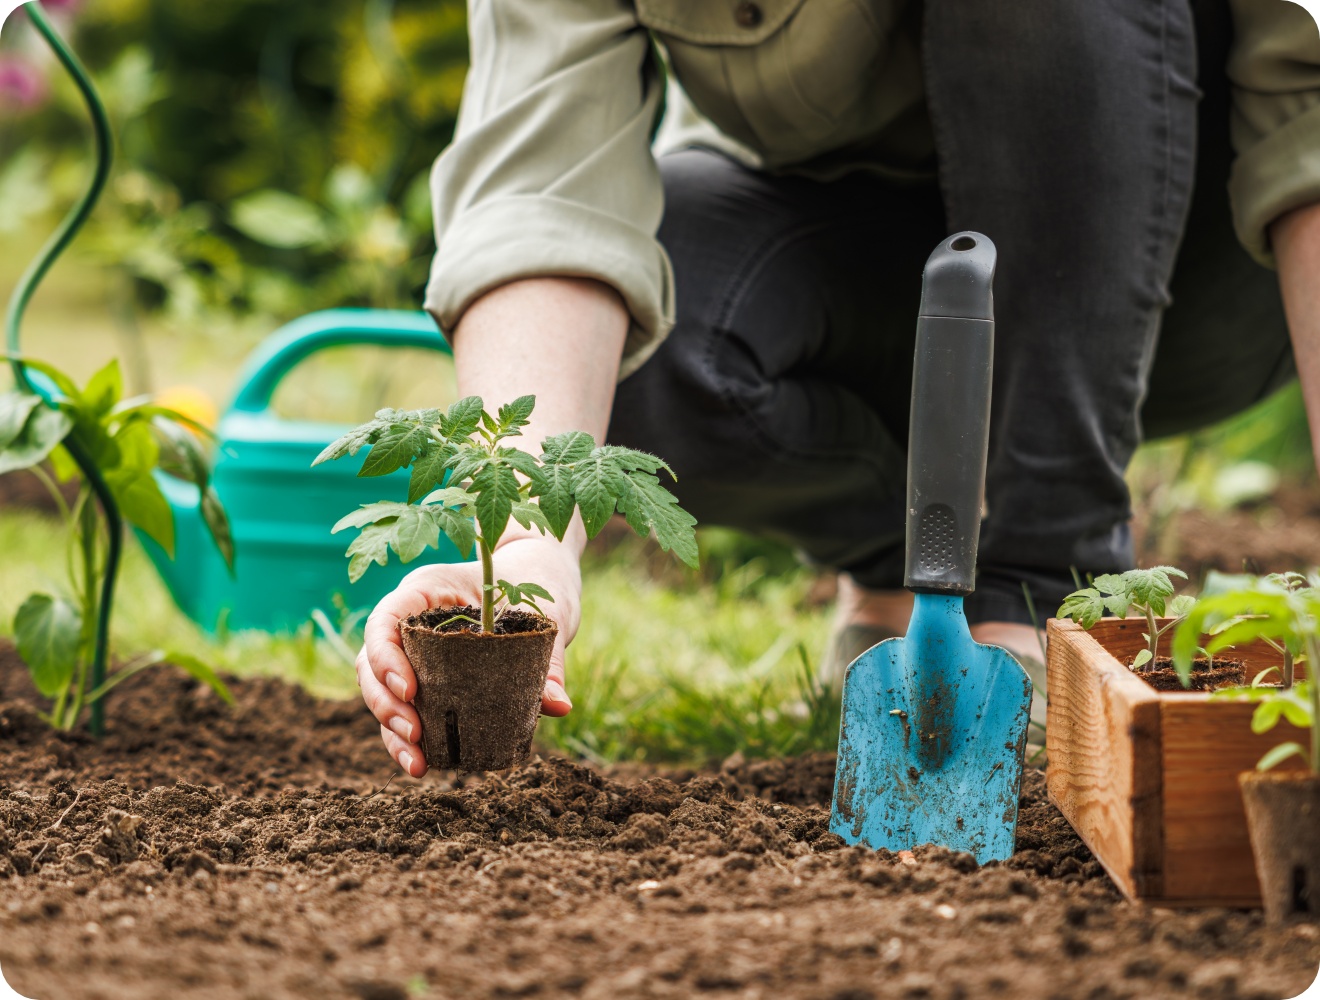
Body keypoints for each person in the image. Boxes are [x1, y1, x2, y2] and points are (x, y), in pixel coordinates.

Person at [356, 0, 1320, 778]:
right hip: (852, 261)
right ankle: (914, 565)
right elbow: (543, 193)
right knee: (649, 350)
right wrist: (528, 553)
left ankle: (1037, 576)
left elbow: (1307, 117)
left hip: (1174, 269)